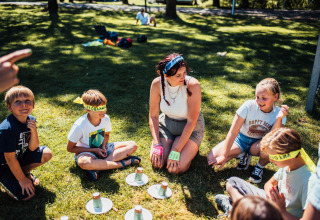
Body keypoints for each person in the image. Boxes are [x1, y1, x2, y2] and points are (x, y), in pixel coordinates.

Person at [215, 128, 316, 219]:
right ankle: (241, 210)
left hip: (282, 216)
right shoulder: (287, 165)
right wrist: (270, 195)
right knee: (233, 182)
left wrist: (281, 211)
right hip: (273, 207)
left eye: (274, 157)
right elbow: (269, 184)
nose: (270, 160)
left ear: (289, 156)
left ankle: (237, 211)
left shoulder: (309, 181)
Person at [207, 78, 289, 183]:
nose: (260, 101)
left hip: (259, 144)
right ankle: (243, 154)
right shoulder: (248, 106)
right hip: (241, 139)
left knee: (270, 144)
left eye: (264, 98)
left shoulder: (280, 113)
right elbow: (233, 131)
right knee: (212, 158)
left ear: (275, 97)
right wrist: (224, 155)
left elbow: (274, 138)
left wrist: (279, 118)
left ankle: (259, 167)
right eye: (257, 97)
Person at [149, 53, 204, 174]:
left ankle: (183, 145)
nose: (183, 77)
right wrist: (157, 143)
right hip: (167, 125)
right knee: (158, 163)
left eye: (184, 73)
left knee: (175, 169)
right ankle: (170, 143)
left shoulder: (193, 85)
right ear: (166, 75)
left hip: (190, 128)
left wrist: (177, 149)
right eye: (178, 75)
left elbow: (192, 121)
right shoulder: (157, 84)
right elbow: (153, 116)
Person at [67, 89, 140, 181]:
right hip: (86, 153)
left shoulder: (105, 118)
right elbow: (70, 148)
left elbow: (106, 135)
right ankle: (125, 162)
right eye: (99, 109)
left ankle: (98, 167)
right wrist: (94, 150)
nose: (104, 111)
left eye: (104, 107)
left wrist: (103, 146)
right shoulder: (80, 125)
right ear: (87, 109)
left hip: (101, 148)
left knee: (132, 145)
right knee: (84, 163)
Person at [0, 86, 52, 201]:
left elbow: (33, 148)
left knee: (46, 153)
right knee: (25, 196)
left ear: (33, 104)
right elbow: (9, 158)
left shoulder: (30, 119)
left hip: (17, 159)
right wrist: (22, 180)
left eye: (27, 101)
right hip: (3, 165)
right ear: (9, 107)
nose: (24, 104)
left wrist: (33, 131)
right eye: (17, 102)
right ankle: (7, 178)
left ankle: (24, 172)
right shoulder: (7, 129)